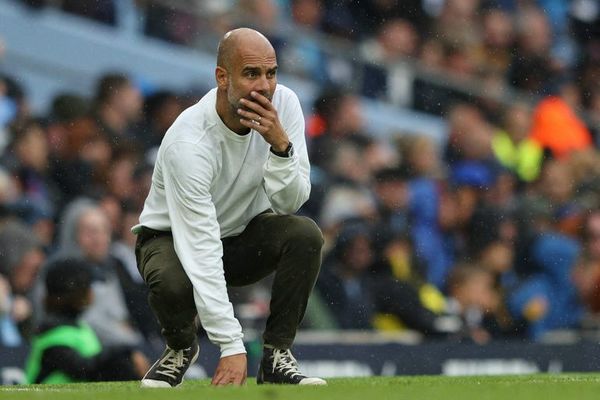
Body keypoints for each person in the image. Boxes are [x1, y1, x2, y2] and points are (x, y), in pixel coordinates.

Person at [133, 27, 325, 387]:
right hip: (170, 239)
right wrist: (231, 345)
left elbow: (290, 202)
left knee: (304, 235)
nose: (265, 86)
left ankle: (276, 357)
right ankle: (180, 346)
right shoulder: (188, 141)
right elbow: (200, 246)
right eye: (251, 74)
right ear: (222, 77)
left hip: (239, 236)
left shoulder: (285, 105)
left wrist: (280, 146)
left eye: (271, 73)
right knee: (173, 283)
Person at [24, 258, 148, 384]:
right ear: (76, 294)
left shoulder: (78, 327)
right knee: (122, 365)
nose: (92, 291)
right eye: (88, 285)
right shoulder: (51, 333)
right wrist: (124, 352)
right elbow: (83, 369)